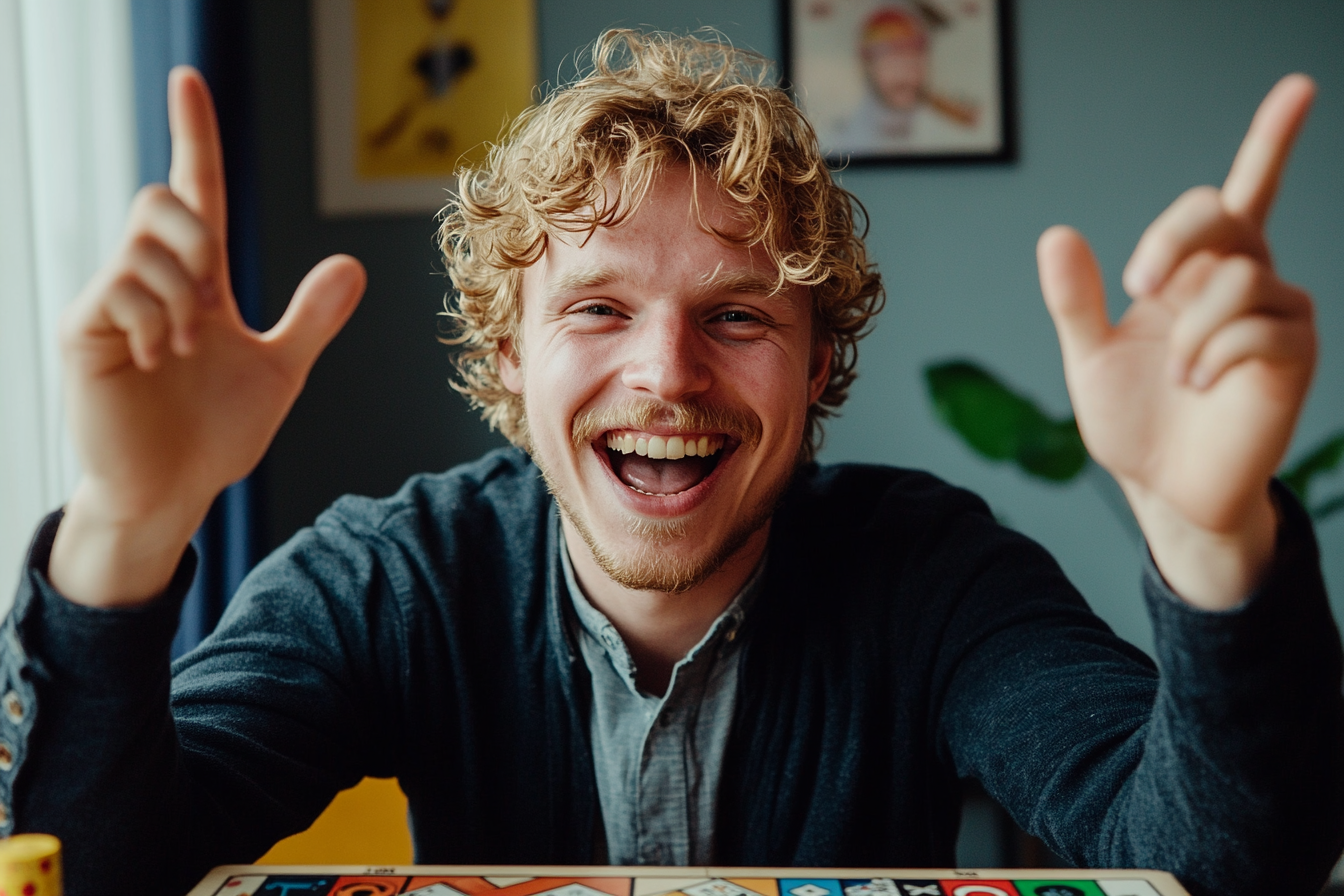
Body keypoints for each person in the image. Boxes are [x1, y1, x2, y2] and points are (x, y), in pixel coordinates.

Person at [1, 29, 1340, 896]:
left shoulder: (932, 572)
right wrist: (126, 527)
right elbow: (99, 877)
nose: (668, 373)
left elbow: (1216, 872)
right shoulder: (392, 576)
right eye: (595, 309)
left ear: (818, 367)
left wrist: (1214, 543)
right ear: (507, 357)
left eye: (739, 314)